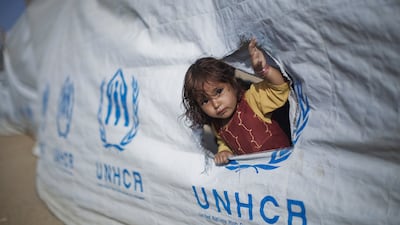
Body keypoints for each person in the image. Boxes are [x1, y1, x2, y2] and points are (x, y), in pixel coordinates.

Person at [182, 38, 291, 165]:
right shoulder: (216, 126)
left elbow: (279, 88)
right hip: (261, 177)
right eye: (205, 101)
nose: (216, 104)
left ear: (232, 82)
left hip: (284, 166)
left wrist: (264, 70)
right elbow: (225, 143)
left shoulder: (251, 99)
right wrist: (225, 152)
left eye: (218, 92)